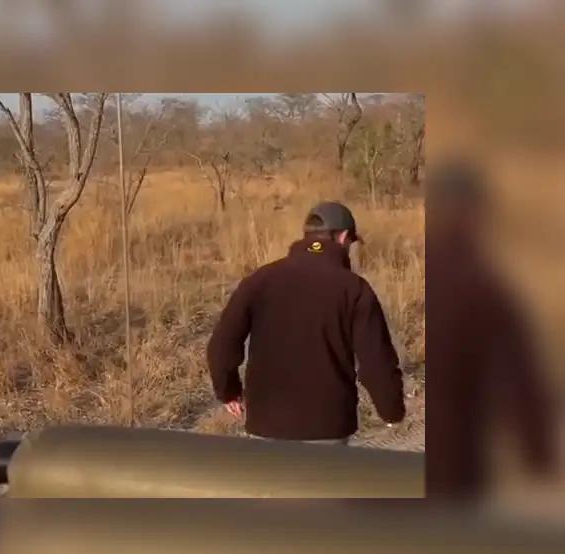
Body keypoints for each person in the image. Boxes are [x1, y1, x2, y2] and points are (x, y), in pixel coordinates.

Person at [206, 201, 406, 445]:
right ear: (343, 237)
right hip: (328, 426)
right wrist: (391, 411)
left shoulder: (260, 280)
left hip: (266, 423)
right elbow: (377, 361)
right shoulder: (354, 289)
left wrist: (228, 391)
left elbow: (222, 345)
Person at [427, 158, 558, 501]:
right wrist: (538, 453)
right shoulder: (482, 285)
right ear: (476, 213)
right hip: (456, 465)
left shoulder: (426, 275)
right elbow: (517, 378)